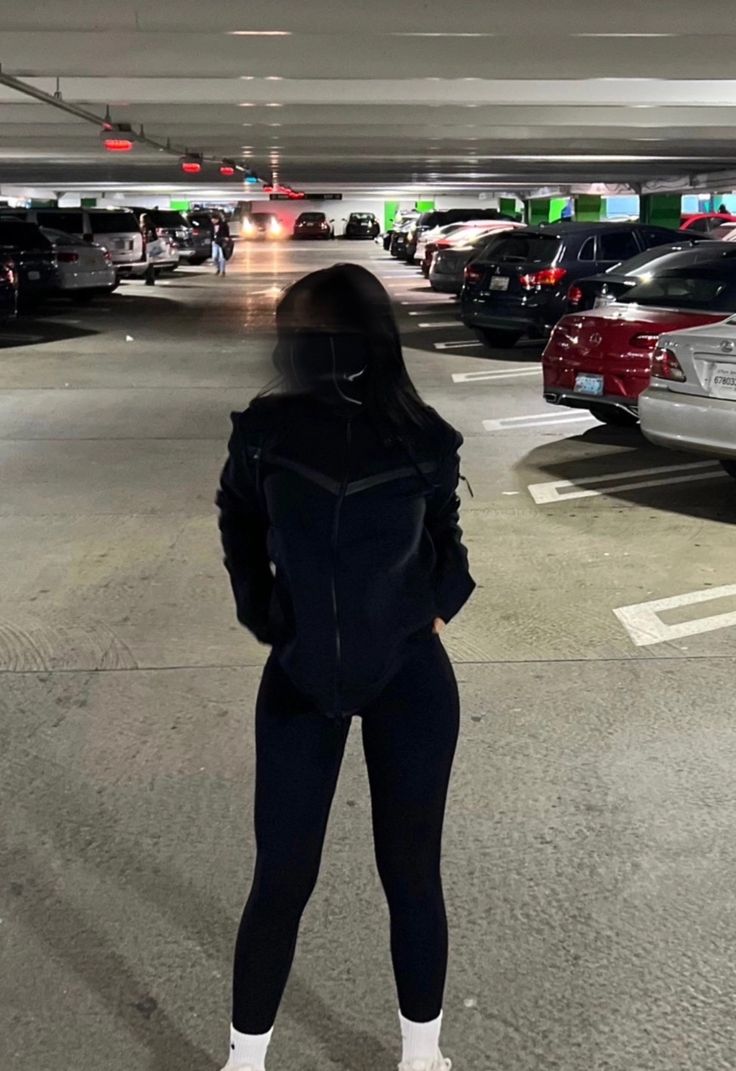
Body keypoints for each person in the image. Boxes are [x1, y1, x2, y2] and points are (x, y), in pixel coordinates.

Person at [216, 263, 476, 1071]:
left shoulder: (420, 435)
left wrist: (436, 604)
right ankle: (246, 1059)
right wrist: (265, 613)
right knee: (283, 876)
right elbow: (239, 524)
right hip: (301, 676)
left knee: (411, 875)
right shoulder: (265, 434)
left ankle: (422, 1055)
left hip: (408, 675)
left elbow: (448, 538)